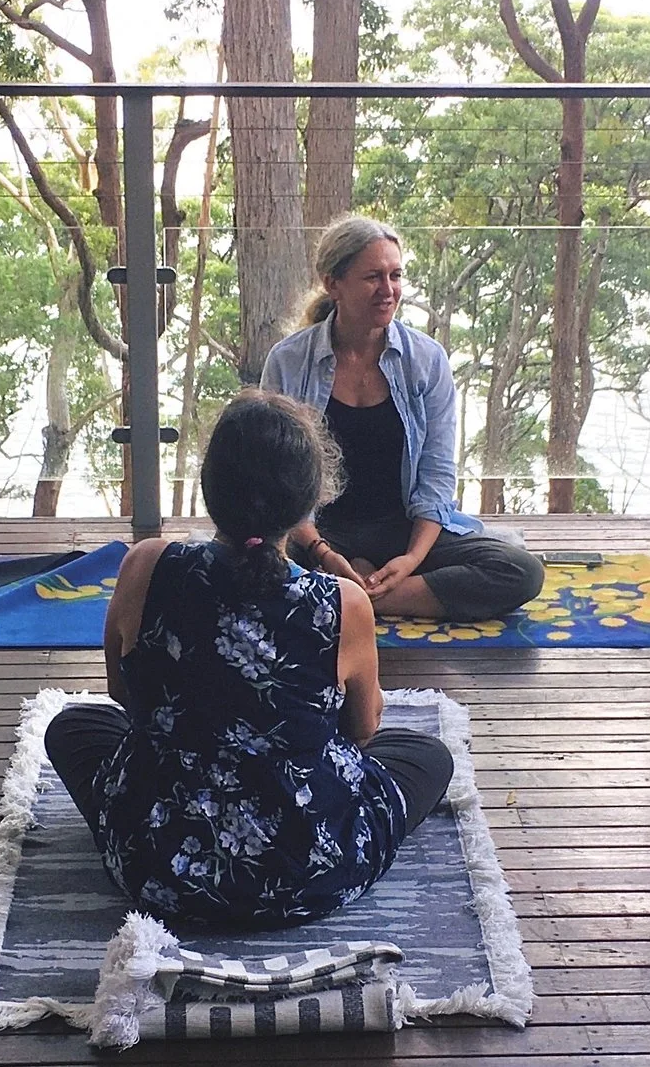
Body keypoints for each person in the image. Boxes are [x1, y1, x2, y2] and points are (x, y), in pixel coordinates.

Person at [43, 390, 455, 929]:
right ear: (308, 501)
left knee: (74, 726)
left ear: (212, 488)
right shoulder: (342, 603)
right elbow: (363, 729)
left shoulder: (146, 564)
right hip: (309, 870)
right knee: (426, 756)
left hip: (160, 869)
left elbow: (122, 696)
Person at [261, 215, 547, 622]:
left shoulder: (426, 360)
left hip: (402, 529)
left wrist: (411, 559)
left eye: (395, 275)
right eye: (373, 277)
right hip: (316, 533)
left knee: (521, 571)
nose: (388, 290)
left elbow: (436, 474)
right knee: (245, 563)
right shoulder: (289, 361)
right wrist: (322, 551)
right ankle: (353, 589)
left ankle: (349, 600)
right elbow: (277, 479)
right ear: (333, 283)